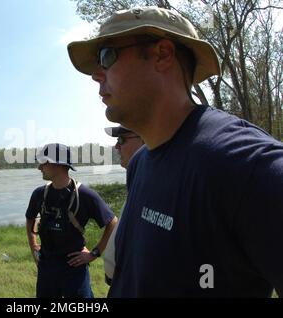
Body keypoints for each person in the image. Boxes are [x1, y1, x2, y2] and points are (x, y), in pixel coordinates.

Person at [67, 6, 283, 297]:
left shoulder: (245, 164)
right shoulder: (140, 163)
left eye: (107, 55)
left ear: (162, 55)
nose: (96, 75)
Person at [25, 143, 117, 298]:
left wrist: (94, 253)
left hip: (75, 269)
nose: (39, 167)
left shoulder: (85, 195)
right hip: (46, 267)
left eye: (44, 162)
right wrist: (34, 246)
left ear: (58, 165)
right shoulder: (39, 194)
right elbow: (30, 219)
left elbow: (112, 222)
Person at [103, 125, 144, 286]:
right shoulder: (139, 184)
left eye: (122, 139)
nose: (116, 146)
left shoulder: (158, 190)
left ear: (145, 139)